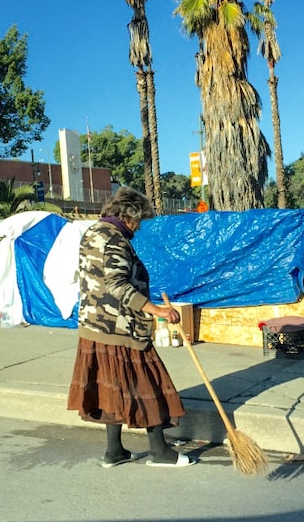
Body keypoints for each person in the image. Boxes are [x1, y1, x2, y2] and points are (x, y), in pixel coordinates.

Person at [67, 186, 193, 468]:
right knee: (149, 384)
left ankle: (114, 452)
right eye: (139, 221)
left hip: (94, 325)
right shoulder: (115, 240)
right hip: (121, 328)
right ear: (128, 216)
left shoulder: (93, 232)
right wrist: (158, 310)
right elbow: (117, 284)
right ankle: (160, 452)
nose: (139, 228)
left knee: (111, 388)